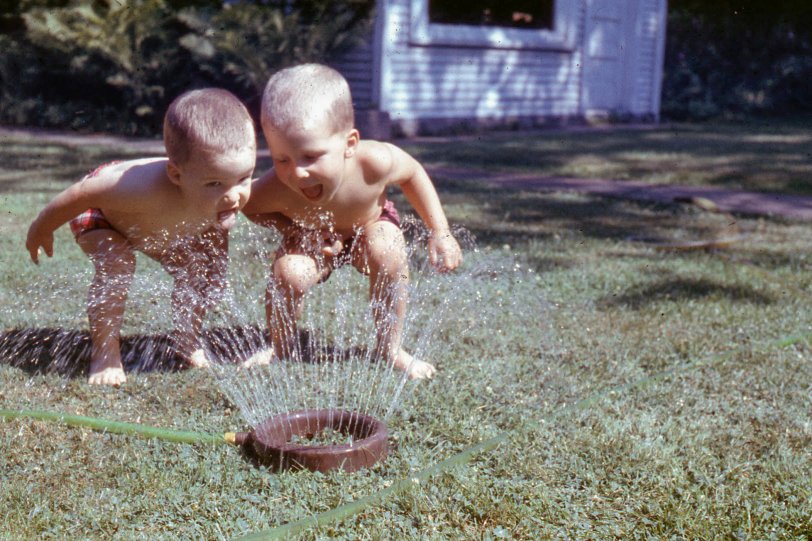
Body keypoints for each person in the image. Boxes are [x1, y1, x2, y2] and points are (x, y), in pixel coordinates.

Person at [242, 63, 462, 380]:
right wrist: (296, 233)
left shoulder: (375, 162)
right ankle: (280, 346)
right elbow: (251, 208)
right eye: (281, 159)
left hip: (369, 227)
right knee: (289, 273)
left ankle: (391, 348)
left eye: (311, 156)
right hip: (313, 237)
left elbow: (413, 173)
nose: (297, 173)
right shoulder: (275, 187)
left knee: (387, 250)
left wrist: (440, 232)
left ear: (349, 144)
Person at [25, 88, 256, 387]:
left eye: (244, 178)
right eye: (215, 183)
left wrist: (215, 271)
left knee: (200, 271)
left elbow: (215, 241)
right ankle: (105, 353)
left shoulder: (219, 200)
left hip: (154, 228)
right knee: (117, 263)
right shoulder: (137, 187)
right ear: (176, 175)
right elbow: (82, 193)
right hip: (101, 215)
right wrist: (41, 227)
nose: (234, 195)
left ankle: (187, 340)